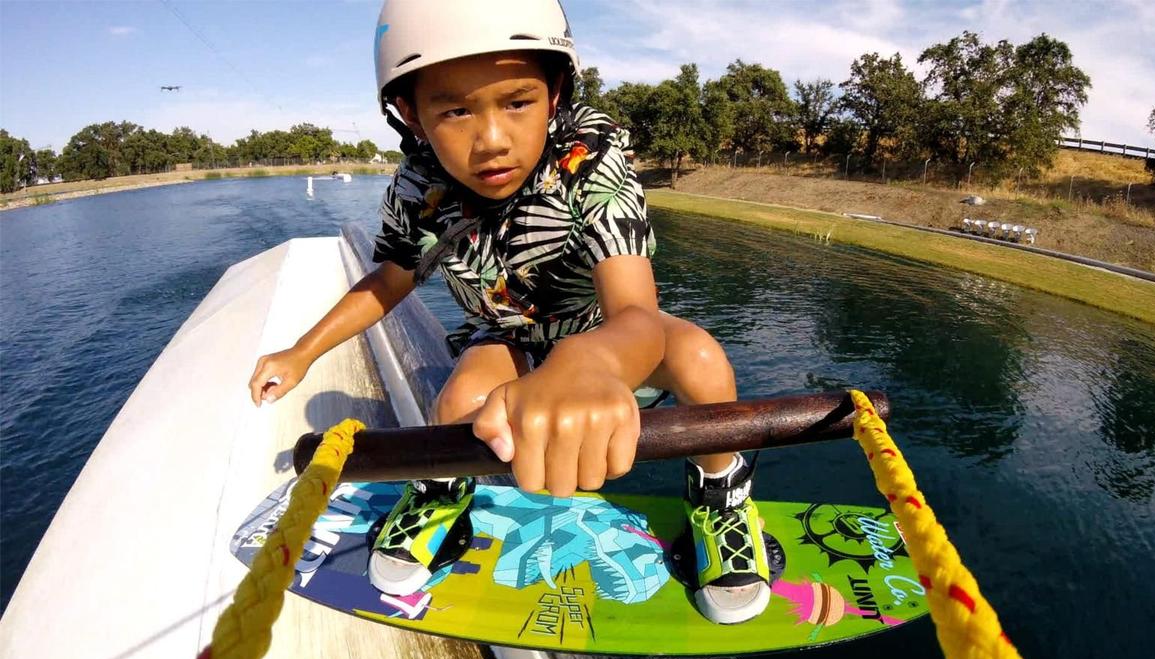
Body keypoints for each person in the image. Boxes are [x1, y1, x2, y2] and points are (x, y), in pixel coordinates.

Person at [248, 0, 769, 624]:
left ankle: (721, 494)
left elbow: (636, 312)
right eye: (455, 110)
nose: (490, 140)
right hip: (507, 331)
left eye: (516, 102)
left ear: (555, 93)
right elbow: (392, 277)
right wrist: (301, 352)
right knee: (459, 401)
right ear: (410, 115)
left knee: (703, 361)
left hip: (604, 336)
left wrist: (589, 361)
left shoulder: (590, 155)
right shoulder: (419, 187)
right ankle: (441, 489)